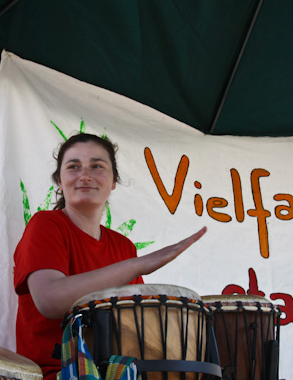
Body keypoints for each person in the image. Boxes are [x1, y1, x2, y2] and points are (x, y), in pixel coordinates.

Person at [13, 133, 207, 380]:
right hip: (56, 373)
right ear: (59, 181)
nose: (85, 175)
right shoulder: (46, 225)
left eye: (97, 166)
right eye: (74, 167)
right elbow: (50, 300)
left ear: (114, 181)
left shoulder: (123, 246)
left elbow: (138, 328)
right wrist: (139, 265)